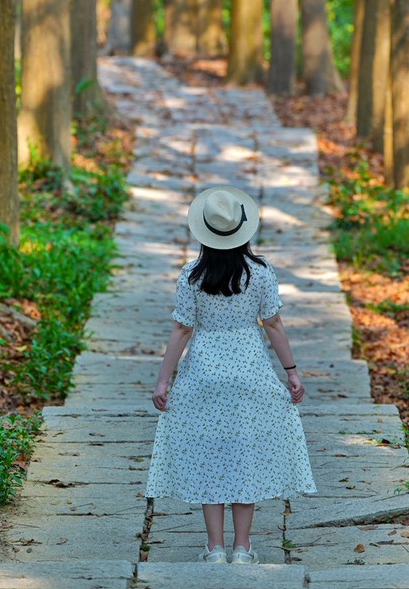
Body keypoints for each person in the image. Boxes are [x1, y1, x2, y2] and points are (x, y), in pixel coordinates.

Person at [144, 185, 317, 564]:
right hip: (250, 371)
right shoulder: (261, 272)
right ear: (242, 229)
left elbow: (182, 329)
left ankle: (215, 548)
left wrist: (163, 380)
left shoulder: (191, 275)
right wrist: (291, 372)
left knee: (210, 456)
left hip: (203, 374)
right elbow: (273, 324)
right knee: (244, 456)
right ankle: (242, 547)